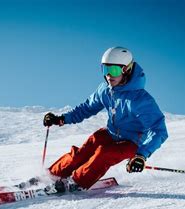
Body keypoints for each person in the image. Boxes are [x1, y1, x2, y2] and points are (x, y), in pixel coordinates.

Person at [43, 46, 168, 192]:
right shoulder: (105, 90)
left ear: (126, 70)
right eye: (105, 69)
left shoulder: (140, 99)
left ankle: (76, 182)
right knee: (84, 151)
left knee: (104, 153)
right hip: (111, 133)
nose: (108, 75)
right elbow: (86, 108)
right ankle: (52, 175)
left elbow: (158, 130)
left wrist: (141, 155)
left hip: (132, 142)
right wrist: (61, 119)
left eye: (113, 70)